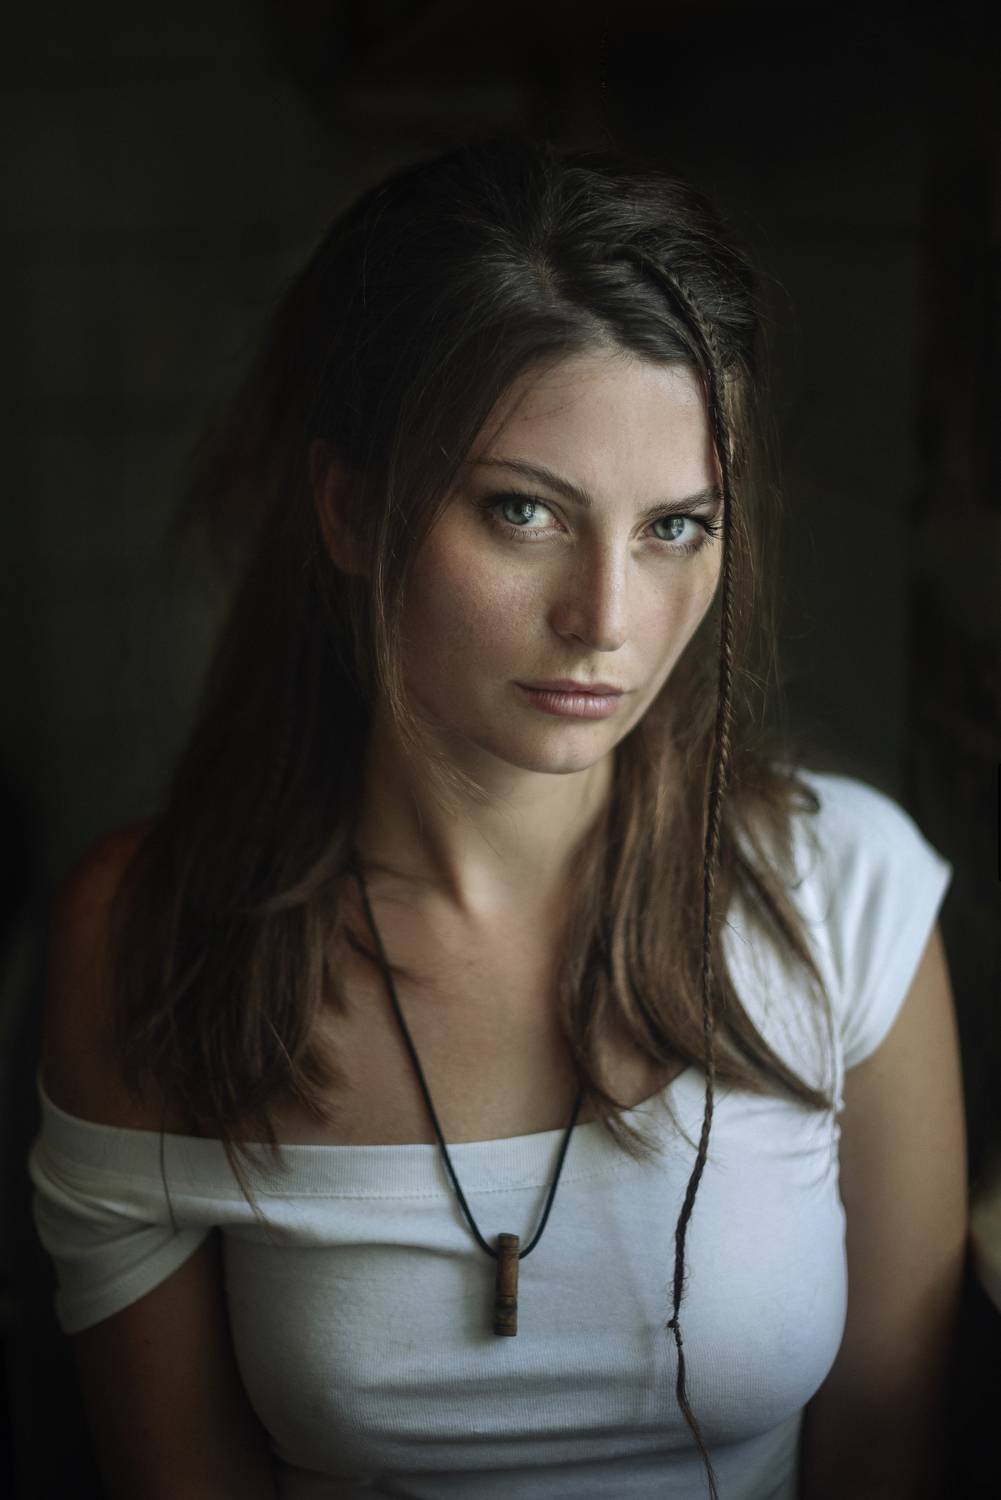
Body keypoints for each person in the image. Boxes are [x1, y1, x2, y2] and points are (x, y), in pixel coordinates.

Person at [28, 135, 966, 1500]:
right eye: (524, 511)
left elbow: (887, 1457)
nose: (605, 619)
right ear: (351, 510)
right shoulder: (156, 941)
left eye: (675, 527)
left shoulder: (846, 896)